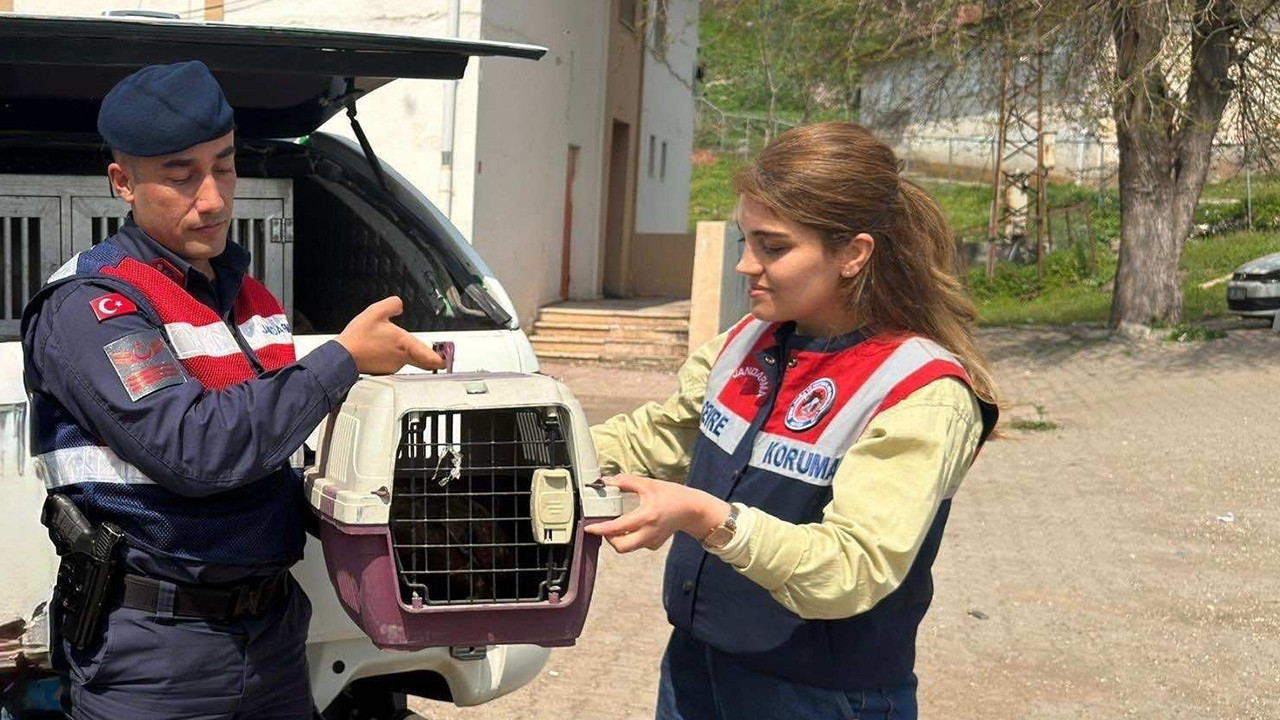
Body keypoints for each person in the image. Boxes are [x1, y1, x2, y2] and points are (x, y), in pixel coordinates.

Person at [21, 61, 443, 720]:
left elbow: (274, 449)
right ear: (123, 183)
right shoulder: (94, 305)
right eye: (181, 176)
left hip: (272, 636)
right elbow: (195, 450)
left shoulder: (251, 300)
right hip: (156, 653)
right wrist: (342, 359)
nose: (214, 198)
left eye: (224, 166)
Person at [587, 122, 1000, 720]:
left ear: (854, 254)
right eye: (745, 240)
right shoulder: (747, 340)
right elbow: (662, 437)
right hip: (697, 668)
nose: (744, 265)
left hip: (822, 698)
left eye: (773, 247)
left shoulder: (922, 392)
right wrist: (530, 446)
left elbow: (853, 566)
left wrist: (707, 518)